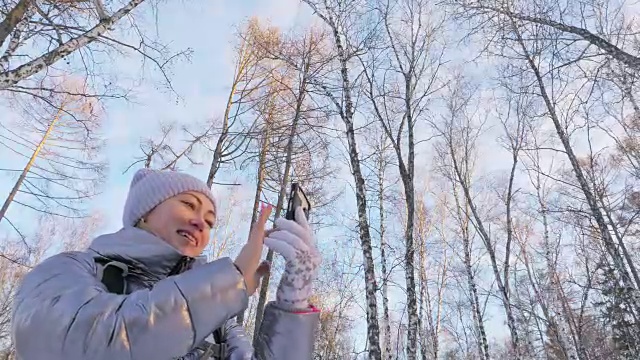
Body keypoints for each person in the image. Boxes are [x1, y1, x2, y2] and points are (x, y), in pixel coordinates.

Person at [10, 168, 322, 360]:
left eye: (211, 222)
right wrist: (232, 281)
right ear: (144, 212)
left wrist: (294, 299)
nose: (201, 223)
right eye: (189, 205)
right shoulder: (71, 269)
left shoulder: (219, 321)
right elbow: (81, 341)